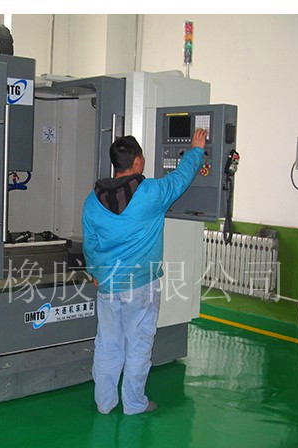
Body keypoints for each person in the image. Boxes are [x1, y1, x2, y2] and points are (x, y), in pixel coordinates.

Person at [82, 128, 208, 415]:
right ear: (138, 161)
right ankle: (134, 404)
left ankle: (105, 402)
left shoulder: (93, 200)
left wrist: (94, 272)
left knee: (107, 344)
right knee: (138, 345)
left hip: (107, 284)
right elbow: (180, 178)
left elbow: (89, 243)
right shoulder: (151, 193)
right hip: (141, 285)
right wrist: (196, 150)